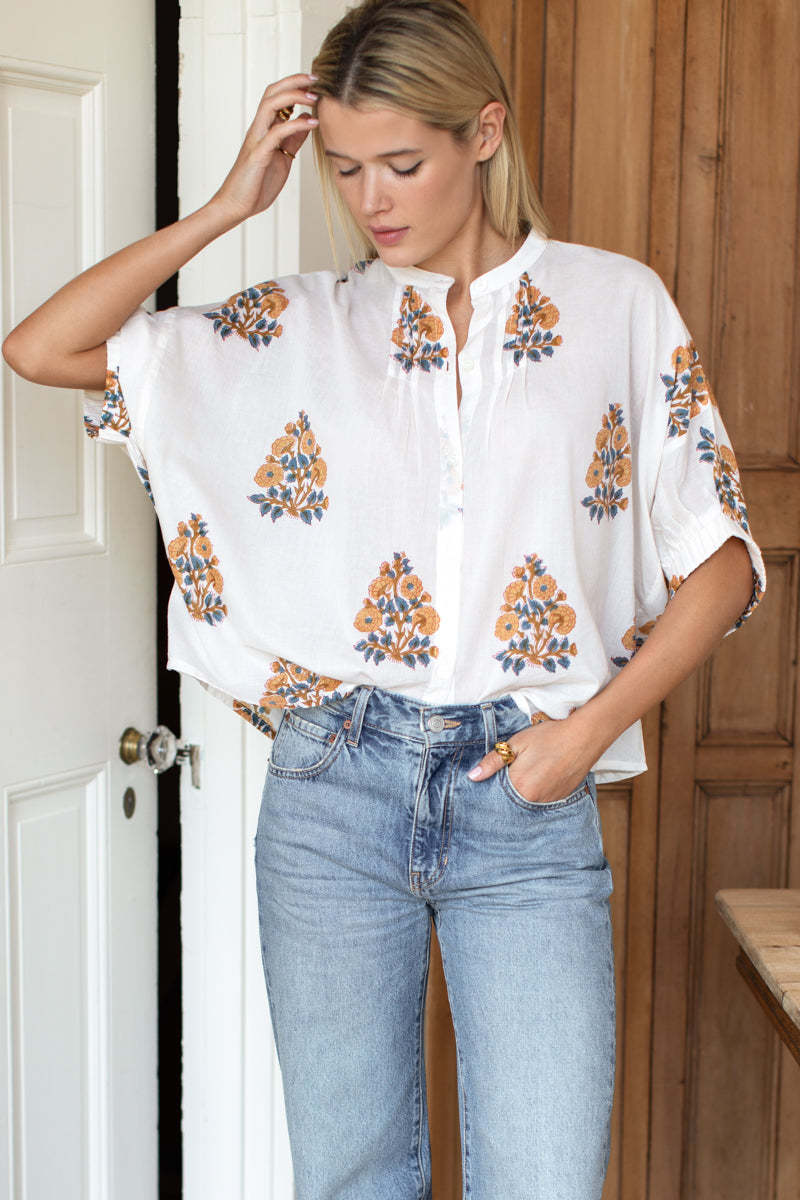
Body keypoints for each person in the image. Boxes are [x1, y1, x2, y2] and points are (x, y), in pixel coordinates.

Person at [2, 0, 765, 1196]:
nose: (372, 199)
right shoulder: (295, 327)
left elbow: (718, 559)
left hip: (525, 793)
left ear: (483, 133)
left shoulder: (614, 305)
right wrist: (226, 208)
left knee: (546, 1178)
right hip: (331, 794)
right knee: (350, 1177)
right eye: (347, 169)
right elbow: (41, 349)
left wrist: (585, 735)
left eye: (402, 163)